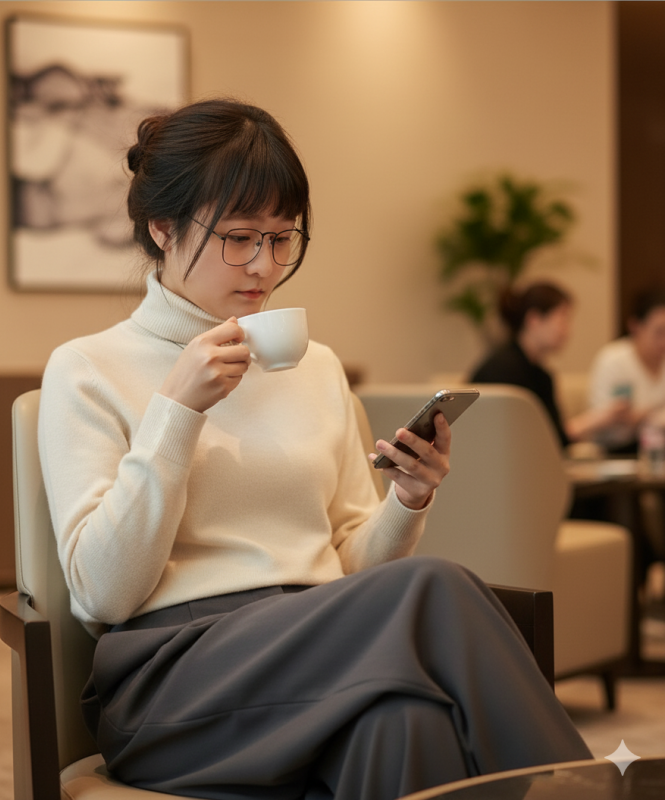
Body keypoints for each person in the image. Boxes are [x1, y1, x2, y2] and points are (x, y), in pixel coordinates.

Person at [38, 99, 591, 800]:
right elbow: (101, 592)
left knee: (406, 724)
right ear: (162, 228)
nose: (264, 265)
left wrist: (407, 500)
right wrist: (175, 411)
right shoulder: (87, 369)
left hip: (323, 649)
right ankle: (584, 787)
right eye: (240, 237)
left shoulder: (317, 368)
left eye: (281, 238)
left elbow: (353, 566)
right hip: (174, 680)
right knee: (436, 587)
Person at [469, 282, 627, 450]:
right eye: (562, 319)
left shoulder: (541, 376)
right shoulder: (502, 369)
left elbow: (553, 436)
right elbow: (546, 437)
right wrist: (598, 419)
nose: (567, 330)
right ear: (534, 320)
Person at [587, 288, 665, 454]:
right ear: (635, 326)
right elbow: (603, 424)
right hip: (616, 452)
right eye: (659, 332)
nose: (663, 342)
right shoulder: (613, 361)